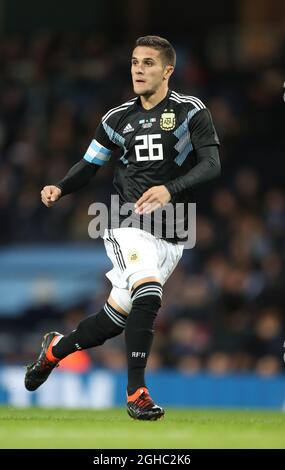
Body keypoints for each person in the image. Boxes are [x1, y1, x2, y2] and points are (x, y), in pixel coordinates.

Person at [25, 35, 221, 420]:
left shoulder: (190, 112)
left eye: (148, 63)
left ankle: (54, 350)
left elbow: (212, 164)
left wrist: (171, 188)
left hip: (174, 232)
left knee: (111, 322)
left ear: (168, 70)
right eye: (134, 61)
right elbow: (89, 164)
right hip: (126, 222)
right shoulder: (116, 119)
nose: (138, 69)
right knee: (148, 293)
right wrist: (60, 187)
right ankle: (137, 392)